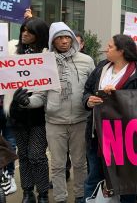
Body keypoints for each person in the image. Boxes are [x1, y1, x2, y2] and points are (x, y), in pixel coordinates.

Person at [17, 22, 95, 203]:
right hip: (54, 122)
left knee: (80, 164)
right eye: (59, 37)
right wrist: (26, 102)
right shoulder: (45, 63)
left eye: (67, 37)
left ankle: (80, 197)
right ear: (53, 40)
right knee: (58, 166)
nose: (64, 41)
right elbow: (40, 96)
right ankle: (60, 198)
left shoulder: (87, 61)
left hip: (81, 120)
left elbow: (92, 89)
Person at [83, 34, 137, 203]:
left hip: (125, 138)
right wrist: (88, 101)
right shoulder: (101, 67)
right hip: (96, 136)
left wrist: (119, 96)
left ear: (121, 51)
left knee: (127, 182)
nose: (106, 49)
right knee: (94, 178)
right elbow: (86, 90)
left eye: (110, 46)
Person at [4, 17, 50, 203]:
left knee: (37, 156)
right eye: (23, 30)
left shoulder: (48, 56)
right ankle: (27, 192)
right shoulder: (13, 54)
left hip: (40, 115)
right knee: (22, 156)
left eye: (30, 31)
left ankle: (43, 194)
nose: (24, 33)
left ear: (39, 35)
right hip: (17, 114)